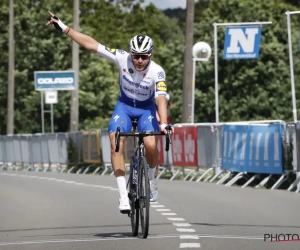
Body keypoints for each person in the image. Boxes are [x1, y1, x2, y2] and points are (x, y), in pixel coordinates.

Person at [46, 11, 174, 213]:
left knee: (150, 144)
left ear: (151, 55)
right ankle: (123, 196)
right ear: (131, 53)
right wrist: (64, 28)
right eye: (136, 56)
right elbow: (91, 44)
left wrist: (165, 123)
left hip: (145, 109)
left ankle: (151, 181)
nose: (139, 60)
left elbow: (160, 98)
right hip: (124, 106)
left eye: (144, 56)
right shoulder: (122, 58)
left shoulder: (157, 71)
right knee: (115, 141)